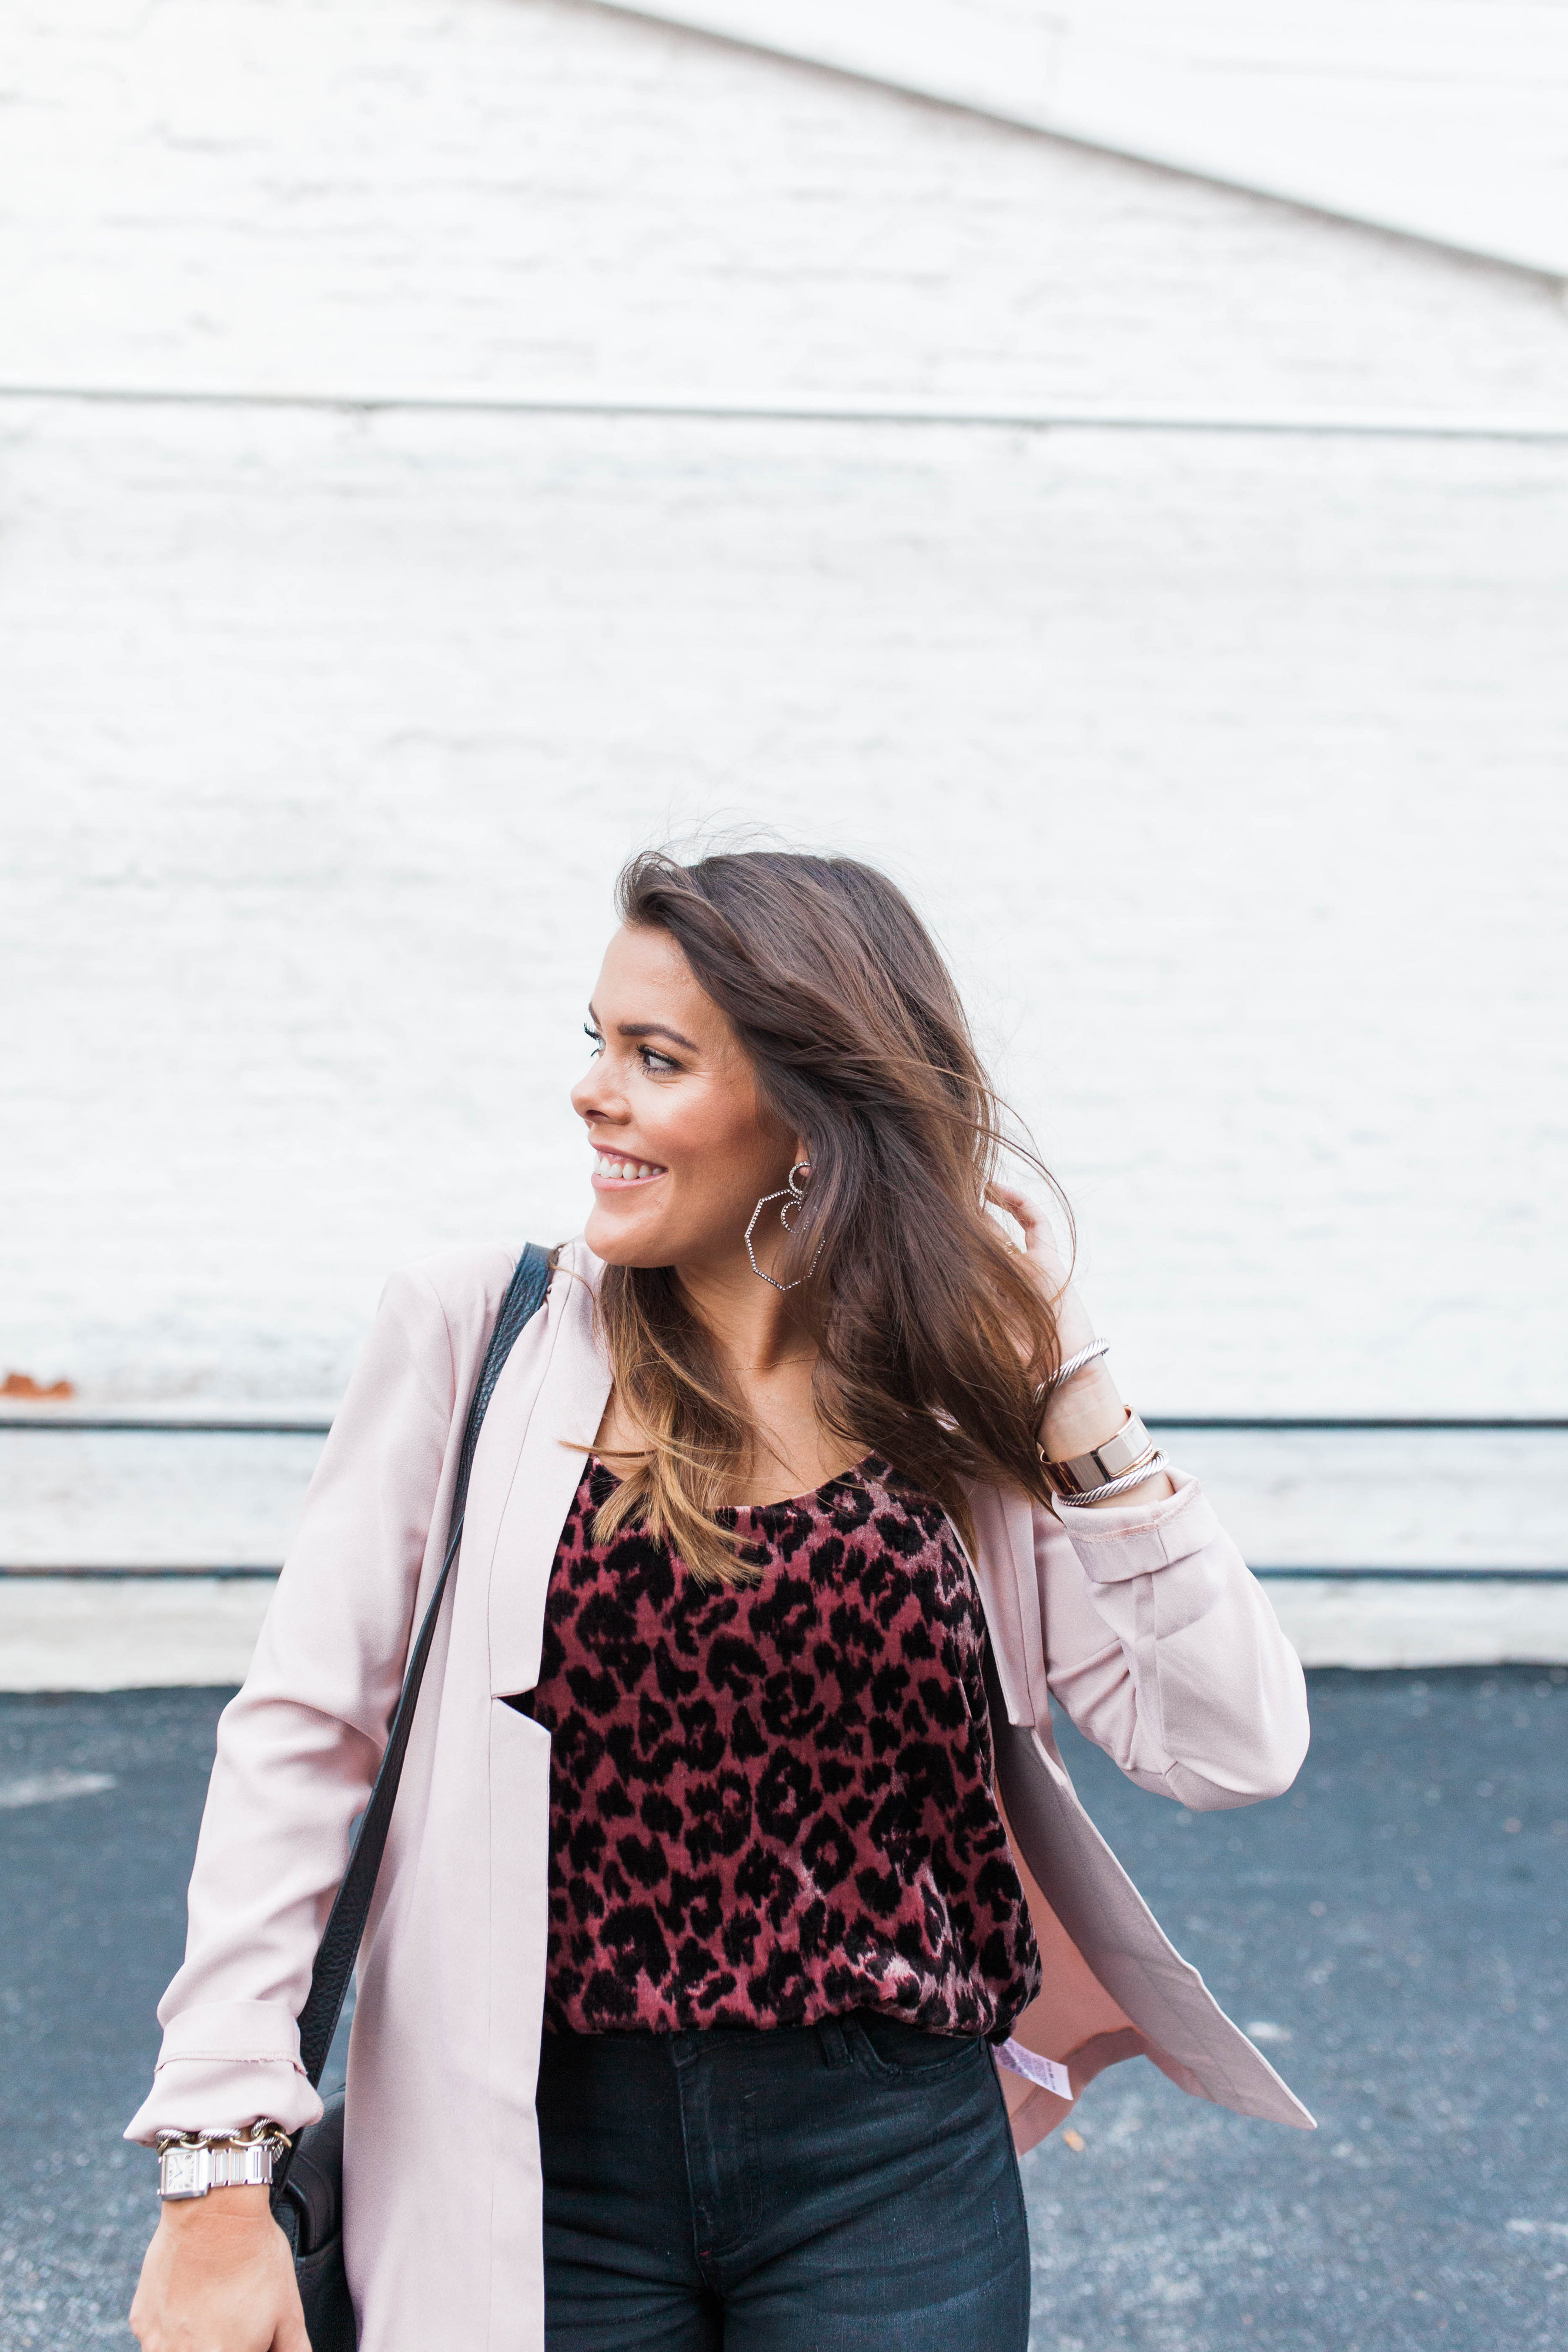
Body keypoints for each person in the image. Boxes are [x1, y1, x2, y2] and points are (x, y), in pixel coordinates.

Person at [128, 847, 1311, 2352]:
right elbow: (300, 1746)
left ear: (809, 1117)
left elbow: (1226, 1748)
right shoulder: (472, 1334)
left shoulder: (950, 1400)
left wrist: (1073, 1394)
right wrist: (216, 2173)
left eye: (655, 1058)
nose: (589, 1092)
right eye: (596, 1042)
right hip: (529, 2142)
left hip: (885, 2159)